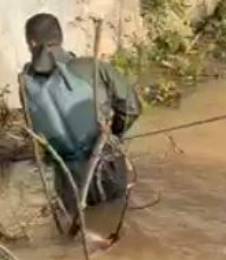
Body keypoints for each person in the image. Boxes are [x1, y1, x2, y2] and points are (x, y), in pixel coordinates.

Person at [19, 13, 142, 232]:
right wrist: (113, 133)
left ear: (31, 43)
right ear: (61, 38)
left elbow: (36, 130)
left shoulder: (25, 83)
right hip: (107, 165)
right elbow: (131, 108)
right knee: (115, 226)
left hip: (66, 177)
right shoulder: (93, 68)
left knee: (78, 231)